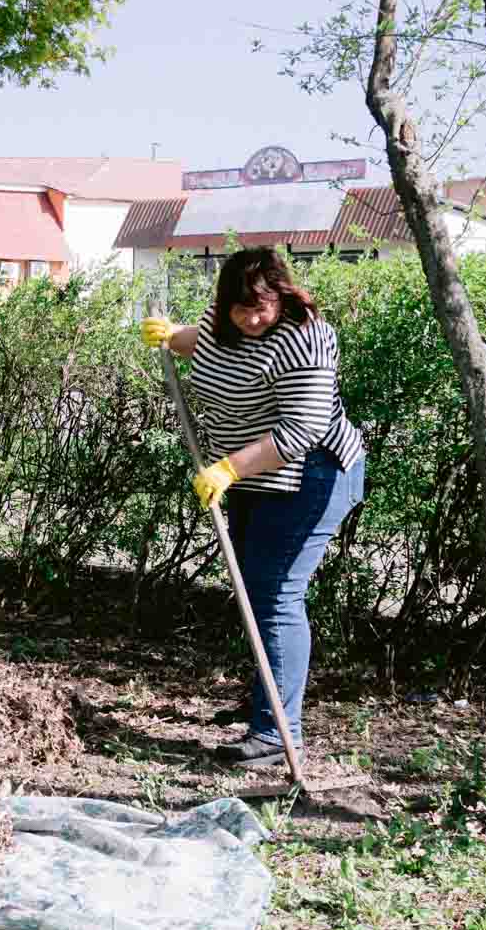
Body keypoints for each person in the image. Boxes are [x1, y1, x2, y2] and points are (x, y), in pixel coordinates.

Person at [141, 247, 367, 767]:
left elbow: (301, 430)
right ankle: (268, 700)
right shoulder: (224, 319)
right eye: (240, 309)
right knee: (254, 589)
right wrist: (173, 337)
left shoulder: (305, 339)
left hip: (310, 475)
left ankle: (276, 733)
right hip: (252, 475)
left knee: (276, 595)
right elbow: (211, 344)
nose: (252, 319)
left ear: (281, 296)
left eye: (261, 307)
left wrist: (228, 469)